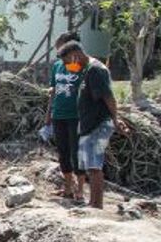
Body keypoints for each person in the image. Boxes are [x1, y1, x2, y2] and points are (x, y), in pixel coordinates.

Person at [58, 41, 129, 209]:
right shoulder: (87, 70)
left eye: (68, 61)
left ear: (76, 54)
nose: (68, 66)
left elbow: (108, 97)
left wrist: (115, 118)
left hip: (98, 123)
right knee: (90, 165)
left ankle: (97, 205)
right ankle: (93, 203)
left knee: (94, 166)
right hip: (89, 124)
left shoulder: (95, 70)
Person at [45, 31, 83, 201]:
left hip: (76, 116)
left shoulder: (83, 66)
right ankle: (67, 187)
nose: (57, 47)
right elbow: (53, 91)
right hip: (58, 115)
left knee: (77, 153)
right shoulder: (57, 66)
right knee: (63, 153)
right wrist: (49, 113)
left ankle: (80, 191)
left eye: (60, 44)